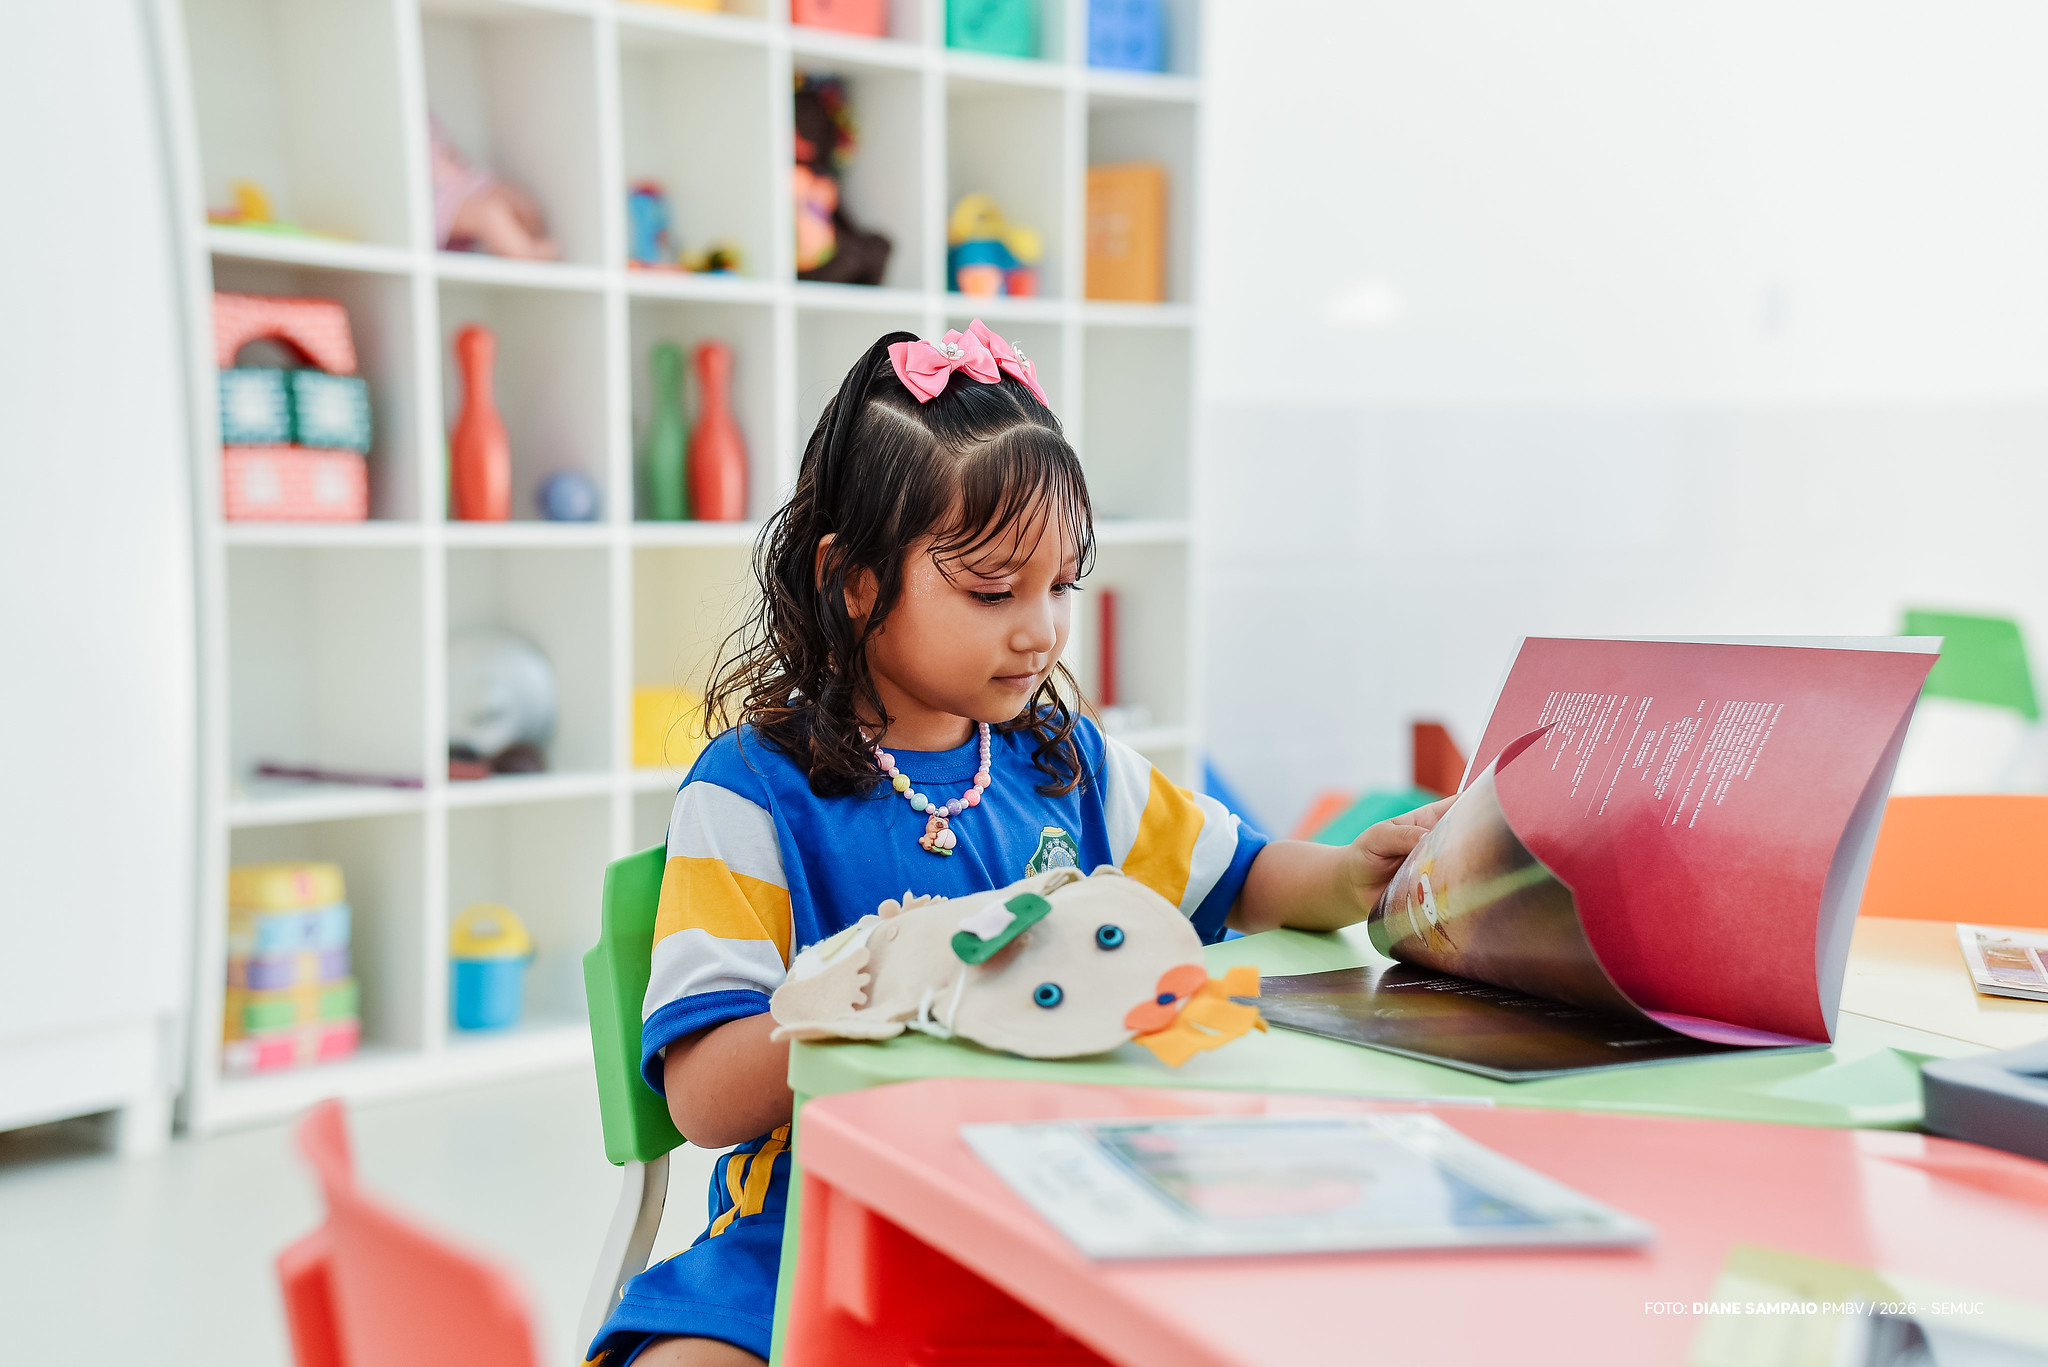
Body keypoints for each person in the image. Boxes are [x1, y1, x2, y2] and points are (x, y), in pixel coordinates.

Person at [586, 322, 1451, 1366]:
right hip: (808, 1233)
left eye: (1059, 587)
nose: (1039, 630)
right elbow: (705, 1097)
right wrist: (879, 983)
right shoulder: (754, 794)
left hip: (1053, 1214)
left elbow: (1246, 876)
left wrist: (1353, 870)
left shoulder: (1064, 761)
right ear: (853, 579)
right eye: (993, 591)